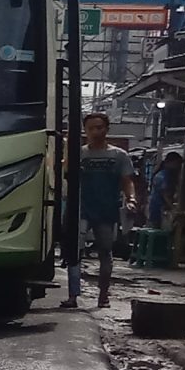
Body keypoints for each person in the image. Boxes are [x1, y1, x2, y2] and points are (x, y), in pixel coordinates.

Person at [62, 113, 136, 310]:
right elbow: (66, 174)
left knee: (105, 251)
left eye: (100, 127)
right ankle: (72, 295)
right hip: (81, 209)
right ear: (85, 131)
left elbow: (127, 181)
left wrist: (131, 199)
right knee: (75, 251)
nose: (96, 131)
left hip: (106, 210)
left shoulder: (119, 156)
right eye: (91, 128)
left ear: (107, 129)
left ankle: (103, 296)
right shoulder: (79, 154)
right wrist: (69, 148)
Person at [149, 151, 183, 229]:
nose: (178, 166)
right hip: (159, 209)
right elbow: (165, 195)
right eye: (177, 163)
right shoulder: (163, 176)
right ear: (171, 162)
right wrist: (173, 209)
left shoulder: (166, 175)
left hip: (158, 208)